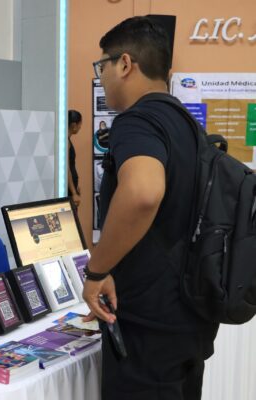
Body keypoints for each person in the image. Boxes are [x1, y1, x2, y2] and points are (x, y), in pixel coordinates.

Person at [82, 16, 219, 400]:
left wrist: (98, 270)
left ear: (125, 64)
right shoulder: (188, 126)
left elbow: (143, 192)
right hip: (188, 315)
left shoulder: (137, 121)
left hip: (149, 324)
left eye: (102, 65)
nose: (102, 76)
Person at [67, 109, 82, 206]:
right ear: (74, 125)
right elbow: (66, 168)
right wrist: (73, 192)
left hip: (71, 188)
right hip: (69, 191)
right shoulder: (65, 142)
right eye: (80, 124)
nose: (80, 127)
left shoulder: (67, 140)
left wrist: (75, 187)